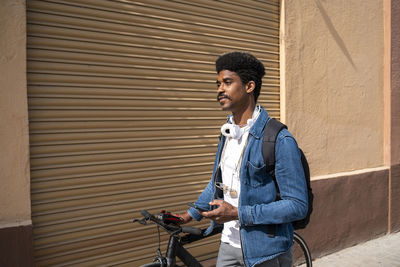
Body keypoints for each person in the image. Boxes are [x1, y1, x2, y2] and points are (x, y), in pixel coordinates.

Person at [178, 51, 308, 267]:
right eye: (218, 83)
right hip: (229, 245)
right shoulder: (227, 133)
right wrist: (188, 215)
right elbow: (217, 183)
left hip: (266, 251)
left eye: (227, 82)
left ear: (249, 86)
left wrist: (237, 213)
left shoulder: (279, 139)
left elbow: (296, 205)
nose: (220, 89)